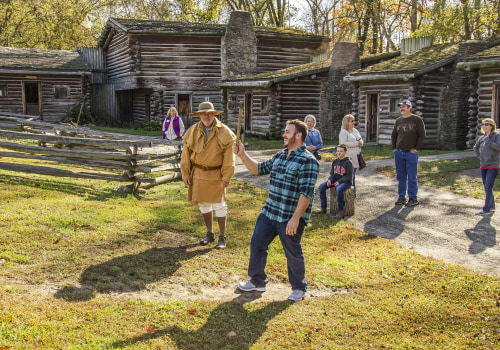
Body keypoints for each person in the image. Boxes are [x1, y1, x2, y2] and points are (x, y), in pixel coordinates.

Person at [232, 119, 319, 301]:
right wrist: (242, 155)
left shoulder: (308, 161)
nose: (284, 135)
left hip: (289, 216)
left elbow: (306, 193)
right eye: (285, 131)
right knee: (257, 243)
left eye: (288, 132)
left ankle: (299, 288)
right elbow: (258, 169)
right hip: (270, 211)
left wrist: (296, 218)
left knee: (292, 252)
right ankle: (257, 281)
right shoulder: (280, 156)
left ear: (298, 135)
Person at [180, 102, 236, 249]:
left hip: (216, 174)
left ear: (214, 114)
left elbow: (229, 158)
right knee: (204, 203)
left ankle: (222, 237)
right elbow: (185, 155)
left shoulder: (224, 131)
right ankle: (209, 234)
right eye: (204, 114)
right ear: (199, 115)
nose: (207, 116)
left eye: (210, 113)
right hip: (197, 173)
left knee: (219, 205)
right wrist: (185, 173)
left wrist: (226, 178)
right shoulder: (192, 131)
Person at [391, 99, 426, 207]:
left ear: (409, 108)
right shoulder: (399, 120)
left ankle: (413, 198)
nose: (401, 108)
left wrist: (416, 149)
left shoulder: (416, 119)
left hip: (411, 153)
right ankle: (401, 197)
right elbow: (394, 135)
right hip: (399, 153)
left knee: (411, 176)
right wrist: (394, 148)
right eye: (401, 107)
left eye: (404, 107)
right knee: (401, 176)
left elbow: (422, 135)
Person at [317, 144, 353, 219]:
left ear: (345, 152)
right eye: (337, 151)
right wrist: (330, 179)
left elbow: (349, 176)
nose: (339, 153)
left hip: (345, 182)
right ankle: (323, 208)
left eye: (341, 151)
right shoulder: (335, 161)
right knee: (321, 187)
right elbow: (332, 173)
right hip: (335, 180)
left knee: (339, 189)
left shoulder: (348, 162)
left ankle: (341, 211)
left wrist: (339, 182)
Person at [473, 118, 500, 215]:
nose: (484, 126)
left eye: (486, 124)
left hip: (493, 166)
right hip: (483, 165)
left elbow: (499, 147)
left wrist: (489, 141)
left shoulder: (496, 136)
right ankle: (491, 206)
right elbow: (475, 147)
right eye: (483, 124)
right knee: (486, 186)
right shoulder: (482, 137)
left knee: (488, 186)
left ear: (491, 126)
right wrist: (480, 156)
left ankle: (486, 209)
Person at [338, 114, 363, 191]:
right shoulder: (344, 132)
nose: (353, 122)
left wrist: (360, 143)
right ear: (346, 122)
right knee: (349, 176)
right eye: (351, 121)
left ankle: (352, 193)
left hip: (356, 156)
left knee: (353, 175)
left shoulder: (355, 130)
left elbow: (360, 139)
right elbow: (343, 143)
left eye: (353, 121)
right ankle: (348, 193)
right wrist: (355, 144)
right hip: (349, 156)